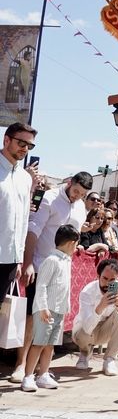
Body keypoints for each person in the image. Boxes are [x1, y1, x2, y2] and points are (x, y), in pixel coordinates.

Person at [11, 170, 91, 384]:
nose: (77, 196)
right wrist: (28, 263)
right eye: (76, 191)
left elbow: (75, 237)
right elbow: (34, 230)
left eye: (82, 194)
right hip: (40, 265)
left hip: (63, 269)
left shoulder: (81, 206)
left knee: (54, 317)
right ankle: (21, 363)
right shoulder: (50, 197)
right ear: (70, 182)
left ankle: (42, 369)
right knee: (32, 316)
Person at [21, 224, 79, 391]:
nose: (75, 248)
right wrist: (43, 307)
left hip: (59, 310)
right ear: (70, 243)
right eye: (75, 244)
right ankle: (28, 376)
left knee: (50, 345)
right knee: (39, 343)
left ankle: (43, 374)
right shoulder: (51, 260)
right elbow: (41, 286)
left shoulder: (66, 260)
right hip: (45, 310)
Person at [72, 257, 118, 375]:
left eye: (112, 280)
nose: (107, 283)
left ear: (117, 278)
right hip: (84, 333)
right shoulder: (87, 292)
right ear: (98, 276)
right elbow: (86, 327)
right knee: (82, 333)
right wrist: (100, 307)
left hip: (106, 331)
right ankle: (85, 353)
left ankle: (110, 359)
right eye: (104, 278)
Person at [0, 121, 36, 307]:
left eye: (29, 146)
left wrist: (19, 260)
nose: (25, 149)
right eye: (21, 143)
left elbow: (23, 220)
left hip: (10, 259)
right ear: (6, 140)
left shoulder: (25, 178)